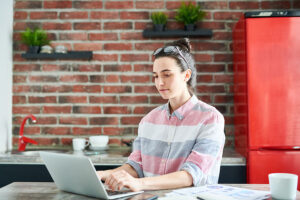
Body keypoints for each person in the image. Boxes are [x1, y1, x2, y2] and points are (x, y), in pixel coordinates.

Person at [97, 38, 225, 192]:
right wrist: (101, 174)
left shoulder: (210, 118)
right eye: (156, 76)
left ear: (186, 75)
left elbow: (191, 175)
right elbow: (136, 167)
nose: (160, 83)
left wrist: (139, 184)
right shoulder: (148, 120)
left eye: (167, 75)